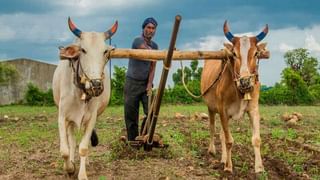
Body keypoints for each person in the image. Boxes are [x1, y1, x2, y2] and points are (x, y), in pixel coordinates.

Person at [124, 17, 158, 141]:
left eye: (153, 28)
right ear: (143, 28)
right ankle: (133, 141)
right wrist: (165, 53)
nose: (150, 30)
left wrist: (149, 84)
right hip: (132, 83)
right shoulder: (137, 41)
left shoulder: (155, 45)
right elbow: (148, 53)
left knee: (152, 112)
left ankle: (144, 137)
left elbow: (153, 67)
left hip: (145, 84)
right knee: (131, 115)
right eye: (148, 27)